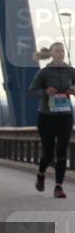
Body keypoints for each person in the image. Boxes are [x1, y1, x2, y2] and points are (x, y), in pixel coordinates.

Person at [29, 42, 75, 198]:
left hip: (65, 116)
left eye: (62, 51)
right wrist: (45, 91)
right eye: (57, 51)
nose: (60, 53)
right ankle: (41, 174)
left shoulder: (71, 71)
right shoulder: (45, 72)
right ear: (51, 53)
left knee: (62, 151)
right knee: (48, 154)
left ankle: (58, 187)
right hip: (47, 117)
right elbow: (32, 91)